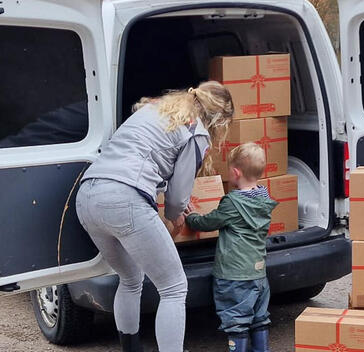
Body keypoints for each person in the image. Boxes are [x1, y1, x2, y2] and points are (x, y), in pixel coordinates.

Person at [76, 81, 234, 352]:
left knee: (130, 278)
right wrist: (175, 217)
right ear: (219, 118)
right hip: (124, 199)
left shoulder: (155, 109)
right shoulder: (195, 130)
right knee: (174, 287)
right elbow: (177, 198)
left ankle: (131, 348)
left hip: (87, 197)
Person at [184, 142, 278, 352]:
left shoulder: (232, 203)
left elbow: (208, 222)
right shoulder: (264, 199)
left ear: (235, 172)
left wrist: (191, 217)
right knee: (259, 318)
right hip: (258, 273)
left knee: (236, 322)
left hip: (234, 275)